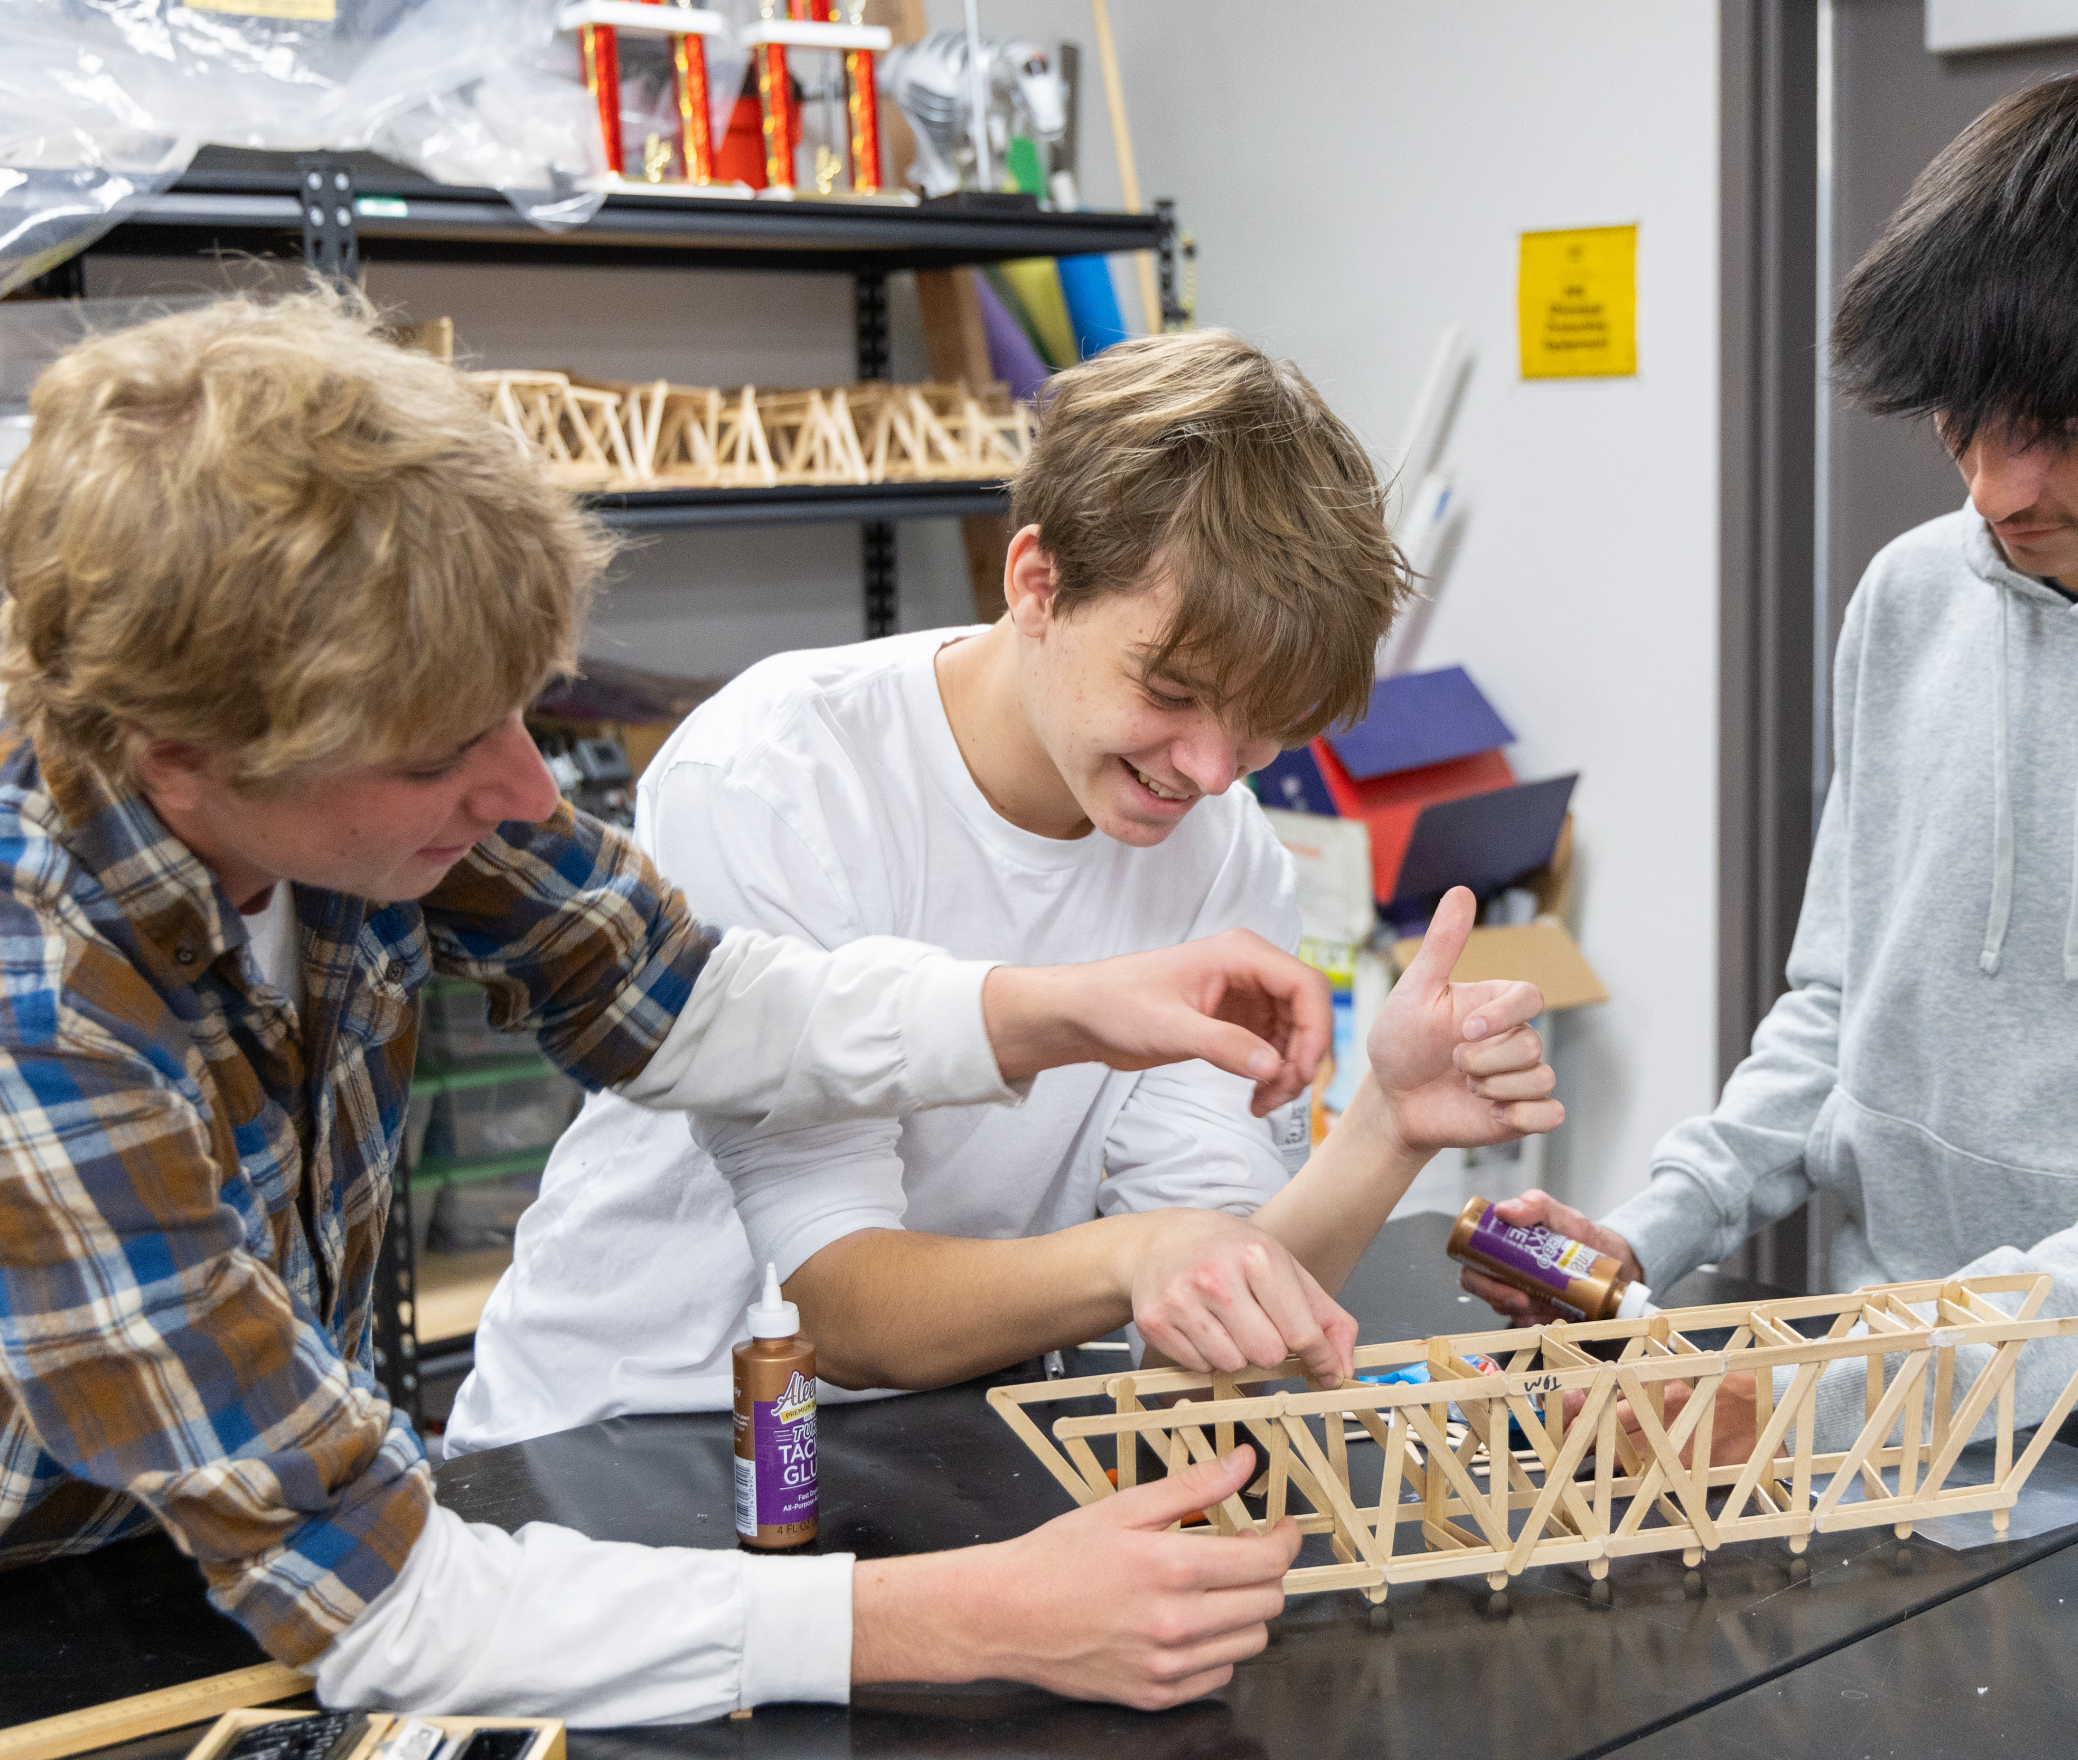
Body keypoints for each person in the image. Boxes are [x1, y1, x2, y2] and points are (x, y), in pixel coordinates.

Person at [0, 292, 1368, 1718]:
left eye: (514, 717)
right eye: (442, 756)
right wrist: (956, 1619)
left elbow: (685, 1004)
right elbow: (389, 1600)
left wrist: (1062, 1008)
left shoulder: (347, 741)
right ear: (191, 761)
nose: (525, 788)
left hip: (224, 1553)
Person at [1470, 66, 2078, 1454]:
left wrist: (1810, 1394)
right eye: (1961, 418)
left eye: (2064, 429)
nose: (1995, 489)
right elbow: (1839, 1008)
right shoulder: (1916, 593)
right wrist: (1642, 1234)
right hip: (1897, 1362)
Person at [452, 332, 1562, 1450]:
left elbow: (1213, 1313)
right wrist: (1135, 1257)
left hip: (953, 1421)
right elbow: (835, 1305)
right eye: (1169, 688)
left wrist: (1386, 1126)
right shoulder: (780, 772)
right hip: (633, 1426)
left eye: (1265, 724)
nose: (1213, 769)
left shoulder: (1222, 851)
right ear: (1035, 579)